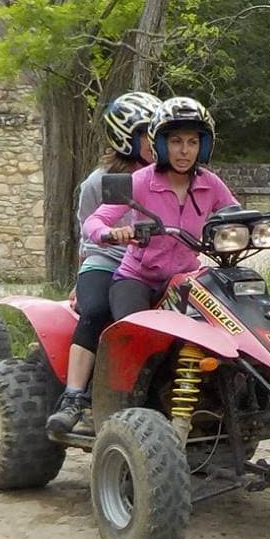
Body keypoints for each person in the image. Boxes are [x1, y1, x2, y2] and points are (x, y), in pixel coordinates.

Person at [47, 90, 165, 438]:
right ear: (125, 137)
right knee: (97, 309)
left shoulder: (168, 177)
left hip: (152, 265)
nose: (156, 143)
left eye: (161, 133)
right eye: (148, 135)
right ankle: (74, 398)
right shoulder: (97, 183)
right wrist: (80, 279)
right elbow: (88, 231)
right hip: (107, 260)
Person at [81, 95, 239, 326]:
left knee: (220, 325)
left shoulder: (210, 183)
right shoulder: (141, 180)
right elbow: (95, 220)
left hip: (185, 278)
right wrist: (109, 233)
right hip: (137, 278)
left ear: (203, 146)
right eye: (176, 141)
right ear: (161, 144)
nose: (184, 150)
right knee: (132, 334)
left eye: (192, 142)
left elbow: (236, 214)